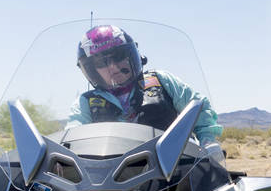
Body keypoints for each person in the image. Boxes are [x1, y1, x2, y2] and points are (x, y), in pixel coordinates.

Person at [68, 24, 222, 143]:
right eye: (102, 63)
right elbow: (72, 137)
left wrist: (208, 142)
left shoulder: (162, 80)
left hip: (175, 168)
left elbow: (199, 108)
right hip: (111, 173)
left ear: (131, 55)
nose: (113, 67)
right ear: (92, 69)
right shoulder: (85, 103)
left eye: (118, 56)